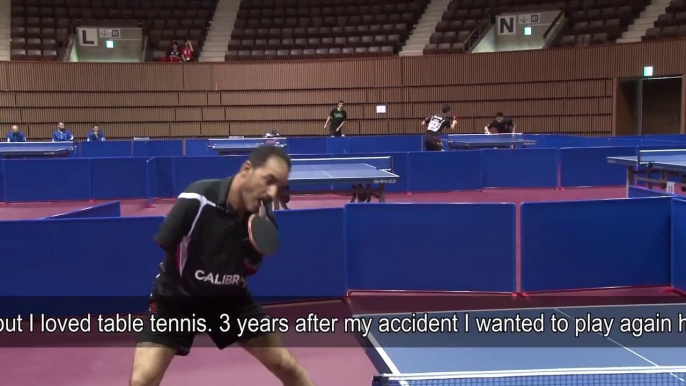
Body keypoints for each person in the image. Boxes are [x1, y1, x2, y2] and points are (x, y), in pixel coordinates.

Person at [129, 146, 315, 386]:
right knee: (142, 379)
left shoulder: (263, 220)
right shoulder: (197, 198)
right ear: (247, 169)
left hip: (230, 301)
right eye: (268, 181)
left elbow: (248, 269)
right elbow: (168, 246)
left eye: (278, 186)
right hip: (177, 299)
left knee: (288, 366)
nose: (271, 192)